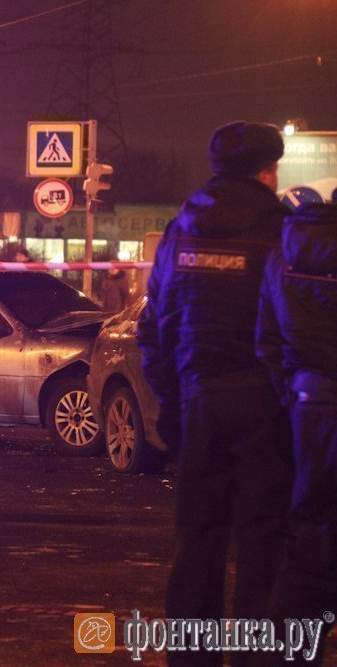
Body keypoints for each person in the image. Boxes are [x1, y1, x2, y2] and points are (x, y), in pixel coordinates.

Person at [136, 121, 293, 661]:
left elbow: (154, 325)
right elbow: (294, 324)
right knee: (262, 543)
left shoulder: (182, 228)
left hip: (198, 401)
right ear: (269, 170)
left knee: (197, 543)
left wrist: (172, 403)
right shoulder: (280, 229)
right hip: (264, 408)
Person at [256, 198, 337, 665]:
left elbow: (266, 337)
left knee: (309, 533)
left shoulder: (287, 247)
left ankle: (293, 652)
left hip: (311, 405)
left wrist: (292, 393)